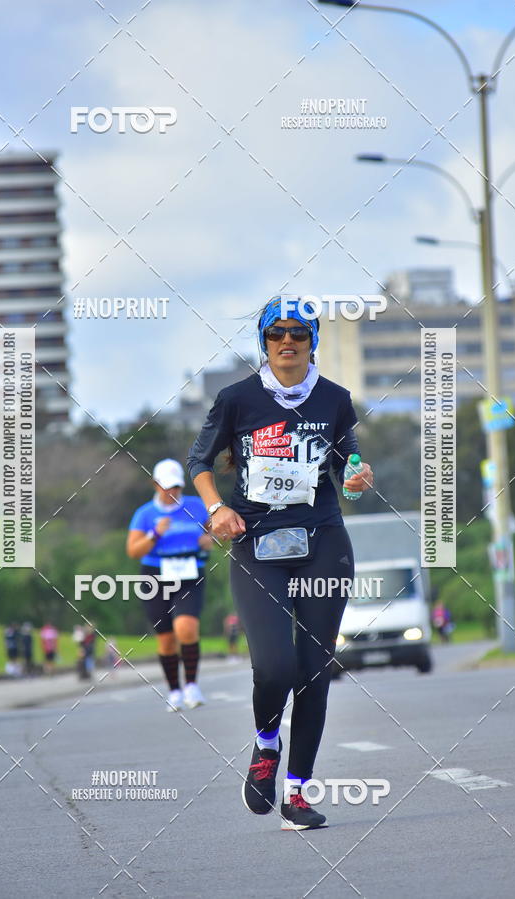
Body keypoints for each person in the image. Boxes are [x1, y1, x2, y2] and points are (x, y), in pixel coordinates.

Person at [187, 296, 374, 830]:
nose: (287, 342)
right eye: (276, 334)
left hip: (323, 543)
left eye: (298, 333)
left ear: (313, 340)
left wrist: (358, 480)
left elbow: (347, 468)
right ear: (263, 342)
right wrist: (216, 507)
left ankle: (296, 793)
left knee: (314, 672)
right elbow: (199, 461)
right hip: (256, 544)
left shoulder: (335, 400)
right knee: (274, 667)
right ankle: (266, 742)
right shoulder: (236, 399)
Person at [127, 458, 213, 711]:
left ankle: (192, 686)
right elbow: (133, 550)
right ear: (155, 485)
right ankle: (174, 690)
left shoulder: (196, 507)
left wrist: (210, 538)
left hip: (189, 572)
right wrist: (155, 534)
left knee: (186, 627)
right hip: (155, 575)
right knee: (165, 639)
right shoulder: (144, 514)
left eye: (176, 487)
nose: (173, 492)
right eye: (168, 487)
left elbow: (216, 532)